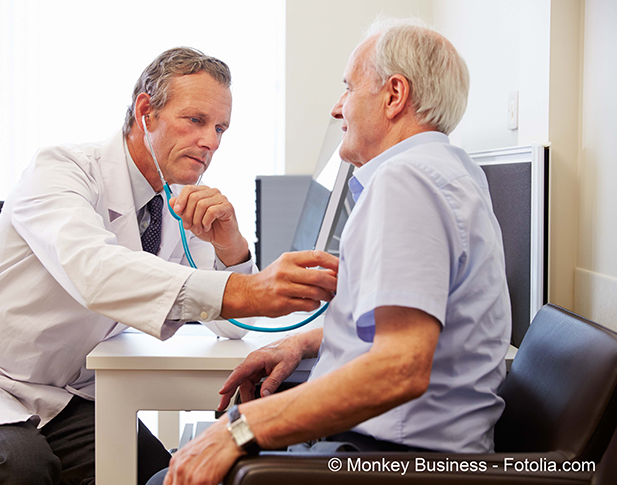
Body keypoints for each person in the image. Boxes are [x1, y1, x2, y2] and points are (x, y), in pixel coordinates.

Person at [0, 47, 338, 484]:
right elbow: (96, 271)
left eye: (221, 128)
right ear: (146, 111)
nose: (211, 142)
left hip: (63, 396)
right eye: (196, 120)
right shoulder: (61, 170)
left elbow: (230, 327)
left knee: (159, 474)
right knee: (19, 466)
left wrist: (232, 249)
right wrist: (253, 290)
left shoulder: (175, 206)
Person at [156, 19, 511, 485]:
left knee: (172, 472)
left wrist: (239, 433)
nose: (337, 107)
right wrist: (302, 341)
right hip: (411, 447)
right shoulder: (449, 172)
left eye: (348, 87)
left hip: (390, 458)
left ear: (394, 95)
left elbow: (400, 368)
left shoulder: (407, 184)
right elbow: (410, 328)